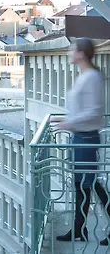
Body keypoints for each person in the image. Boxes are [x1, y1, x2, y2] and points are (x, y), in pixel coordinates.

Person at [51, 38, 109, 245]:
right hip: (80, 138)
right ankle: (79, 229)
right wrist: (64, 119)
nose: (69, 52)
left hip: (86, 139)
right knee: (82, 185)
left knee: (90, 184)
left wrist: (69, 122)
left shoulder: (91, 77)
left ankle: (80, 229)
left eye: (72, 49)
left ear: (81, 53)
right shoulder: (85, 76)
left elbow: (94, 111)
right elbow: (81, 109)